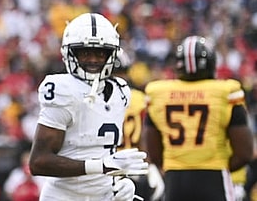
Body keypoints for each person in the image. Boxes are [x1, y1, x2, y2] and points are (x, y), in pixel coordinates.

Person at [28, 12, 149, 201]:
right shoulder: (62, 89)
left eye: (100, 53)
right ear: (69, 53)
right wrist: (101, 166)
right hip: (64, 197)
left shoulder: (121, 92)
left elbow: (105, 153)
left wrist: (121, 181)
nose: (93, 60)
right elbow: (38, 162)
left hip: (105, 195)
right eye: (85, 53)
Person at [142, 35, 254, 201]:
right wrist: (216, 166)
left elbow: (154, 152)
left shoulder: (158, 92)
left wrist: (178, 165)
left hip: (175, 181)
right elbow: (245, 153)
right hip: (214, 177)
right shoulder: (226, 91)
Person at [112, 51, 164, 201]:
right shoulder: (139, 98)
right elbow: (147, 136)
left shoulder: (96, 100)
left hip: (111, 168)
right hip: (138, 167)